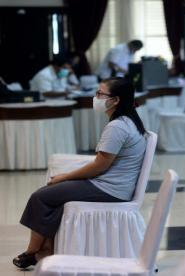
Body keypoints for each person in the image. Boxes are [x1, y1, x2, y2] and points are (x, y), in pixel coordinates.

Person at [13, 77, 147, 269]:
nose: (96, 97)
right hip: (114, 185)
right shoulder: (128, 121)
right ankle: (47, 250)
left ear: (115, 100)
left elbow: (99, 166)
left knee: (40, 197)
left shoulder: (117, 126)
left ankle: (31, 252)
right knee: (56, 198)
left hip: (109, 189)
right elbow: (103, 164)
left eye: (100, 94)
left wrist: (65, 177)